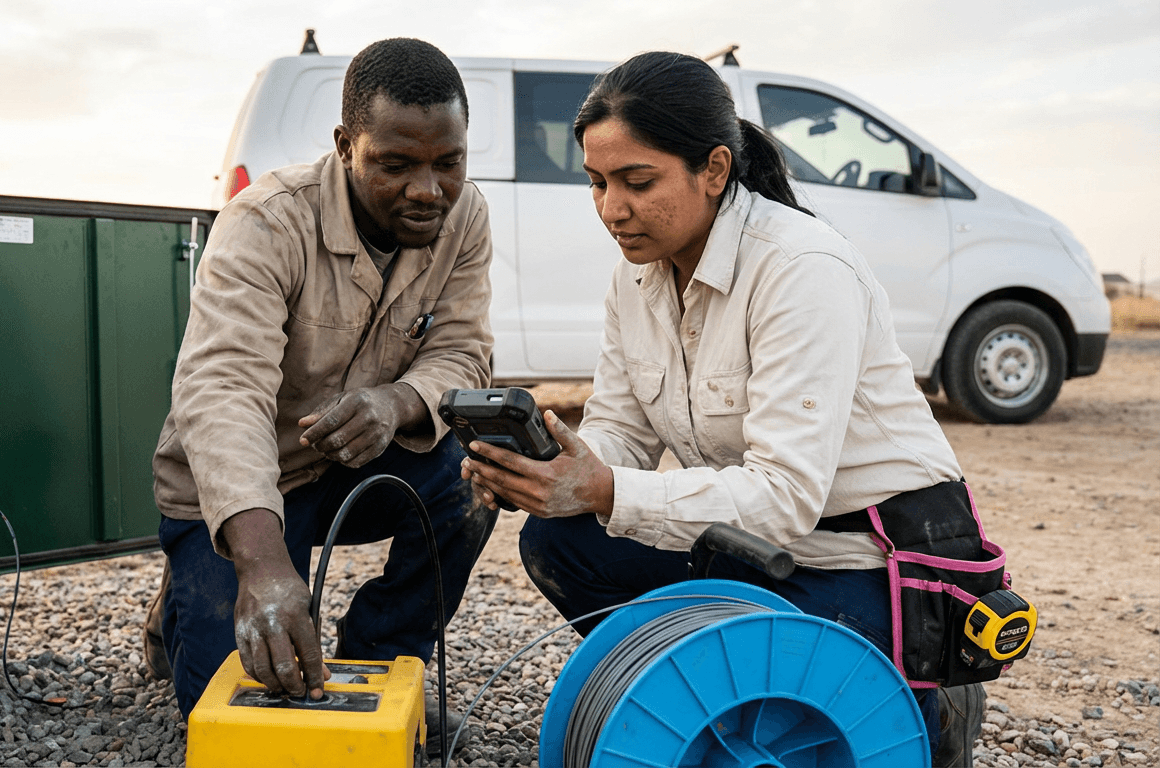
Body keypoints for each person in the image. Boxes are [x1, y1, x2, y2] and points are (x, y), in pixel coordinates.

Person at [460, 51, 986, 767]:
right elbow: (620, 430)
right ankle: (710, 692)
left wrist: (608, 489)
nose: (613, 208)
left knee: (846, 713)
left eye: (637, 181)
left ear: (713, 170)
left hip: (864, 558)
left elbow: (783, 496)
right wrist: (556, 468)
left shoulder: (802, 269)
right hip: (753, 550)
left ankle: (921, 686)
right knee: (563, 543)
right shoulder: (635, 276)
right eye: (597, 182)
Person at [146, 38, 497, 755]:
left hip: (357, 469)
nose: (428, 190)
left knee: (480, 471)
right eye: (396, 165)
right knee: (245, 702)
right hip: (253, 487)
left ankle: (384, 655)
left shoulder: (465, 219)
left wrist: (396, 403)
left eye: (448, 163)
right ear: (345, 146)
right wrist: (264, 566)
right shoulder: (266, 221)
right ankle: (184, 604)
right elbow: (223, 388)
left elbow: (464, 352)